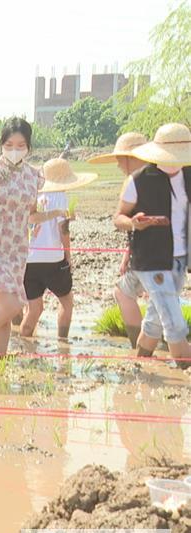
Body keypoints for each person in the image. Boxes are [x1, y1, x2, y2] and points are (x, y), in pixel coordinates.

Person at [0, 118, 65, 360]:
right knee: (11, 305)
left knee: (3, 315)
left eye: (20, 145)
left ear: (28, 147)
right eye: (9, 144)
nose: (14, 150)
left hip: (17, 252)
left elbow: (30, 216)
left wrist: (55, 213)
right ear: (2, 144)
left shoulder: (33, 176)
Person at [114, 123, 191, 366]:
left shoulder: (188, 176)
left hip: (180, 258)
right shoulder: (139, 180)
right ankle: (184, 366)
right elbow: (119, 218)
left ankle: (140, 363)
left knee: (156, 320)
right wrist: (134, 223)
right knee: (174, 324)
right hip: (150, 260)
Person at [19, 158, 97, 340]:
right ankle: (62, 341)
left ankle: (23, 341)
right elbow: (63, 229)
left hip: (29, 260)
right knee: (67, 302)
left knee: (34, 308)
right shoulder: (61, 197)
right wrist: (68, 255)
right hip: (53, 258)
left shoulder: (33, 195)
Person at [87, 132, 150, 347]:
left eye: (119, 159)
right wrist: (127, 255)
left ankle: (140, 346)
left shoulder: (136, 181)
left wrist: (129, 226)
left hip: (149, 254)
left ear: (130, 157)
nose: (118, 165)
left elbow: (124, 220)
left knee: (122, 292)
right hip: (159, 252)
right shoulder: (159, 177)